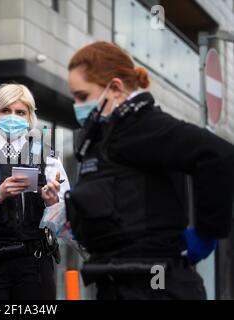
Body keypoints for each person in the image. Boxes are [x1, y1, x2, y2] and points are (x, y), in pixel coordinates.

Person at [65, 41, 234, 300]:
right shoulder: (106, 135)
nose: (76, 105)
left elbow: (217, 154)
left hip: (154, 287)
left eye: (83, 96)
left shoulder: (143, 126)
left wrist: (206, 234)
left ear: (116, 88)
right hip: (120, 282)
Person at [0, 83, 70, 300]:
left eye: (20, 112)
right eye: (5, 110)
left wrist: (52, 203)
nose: (12, 117)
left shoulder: (47, 156)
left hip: (34, 262)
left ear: (30, 117)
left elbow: (67, 216)